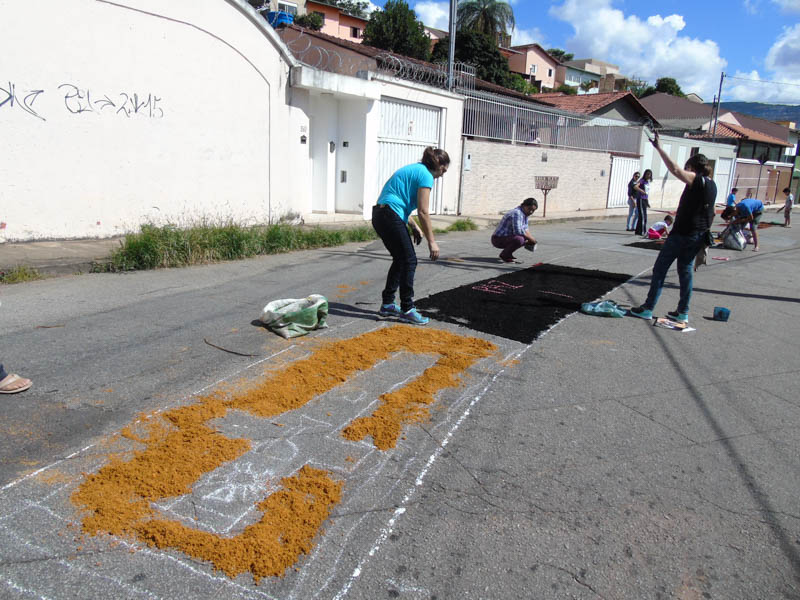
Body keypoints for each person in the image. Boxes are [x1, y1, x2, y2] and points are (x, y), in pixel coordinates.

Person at [630, 132, 716, 324]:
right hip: (697, 235)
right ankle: (682, 312)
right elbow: (712, 213)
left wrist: (659, 148)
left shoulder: (698, 180)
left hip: (683, 235)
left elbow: (676, 169)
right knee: (685, 272)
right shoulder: (713, 185)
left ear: (693, 168)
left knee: (660, 269)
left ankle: (648, 308)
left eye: (689, 169)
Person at [372, 146, 449, 325]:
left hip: (381, 214)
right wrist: (432, 242)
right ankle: (407, 308)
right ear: (438, 163)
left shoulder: (416, 170)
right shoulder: (426, 175)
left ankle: (388, 304)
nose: (444, 171)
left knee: (401, 259)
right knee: (409, 260)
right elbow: (423, 211)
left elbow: (400, 202)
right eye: (444, 167)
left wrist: (413, 225)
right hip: (389, 215)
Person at [491, 197, 538, 263]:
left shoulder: (525, 214)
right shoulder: (517, 213)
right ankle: (504, 255)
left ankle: (508, 253)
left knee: (525, 239)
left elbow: (526, 229)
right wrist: (531, 239)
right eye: (529, 209)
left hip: (507, 237)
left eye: (533, 210)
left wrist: (532, 240)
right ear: (524, 206)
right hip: (497, 239)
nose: (531, 212)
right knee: (520, 239)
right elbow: (518, 231)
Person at [634, 169, 653, 236]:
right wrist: (641, 191)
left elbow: (647, 192)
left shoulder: (648, 182)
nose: (648, 175)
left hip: (645, 200)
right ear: (645, 174)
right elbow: (635, 187)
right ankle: (643, 231)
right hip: (641, 199)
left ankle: (638, 231)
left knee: (643, 216)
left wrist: (647, 202)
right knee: (643, 216)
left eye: (649, 174)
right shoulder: (642, 181)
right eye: (647, 174)